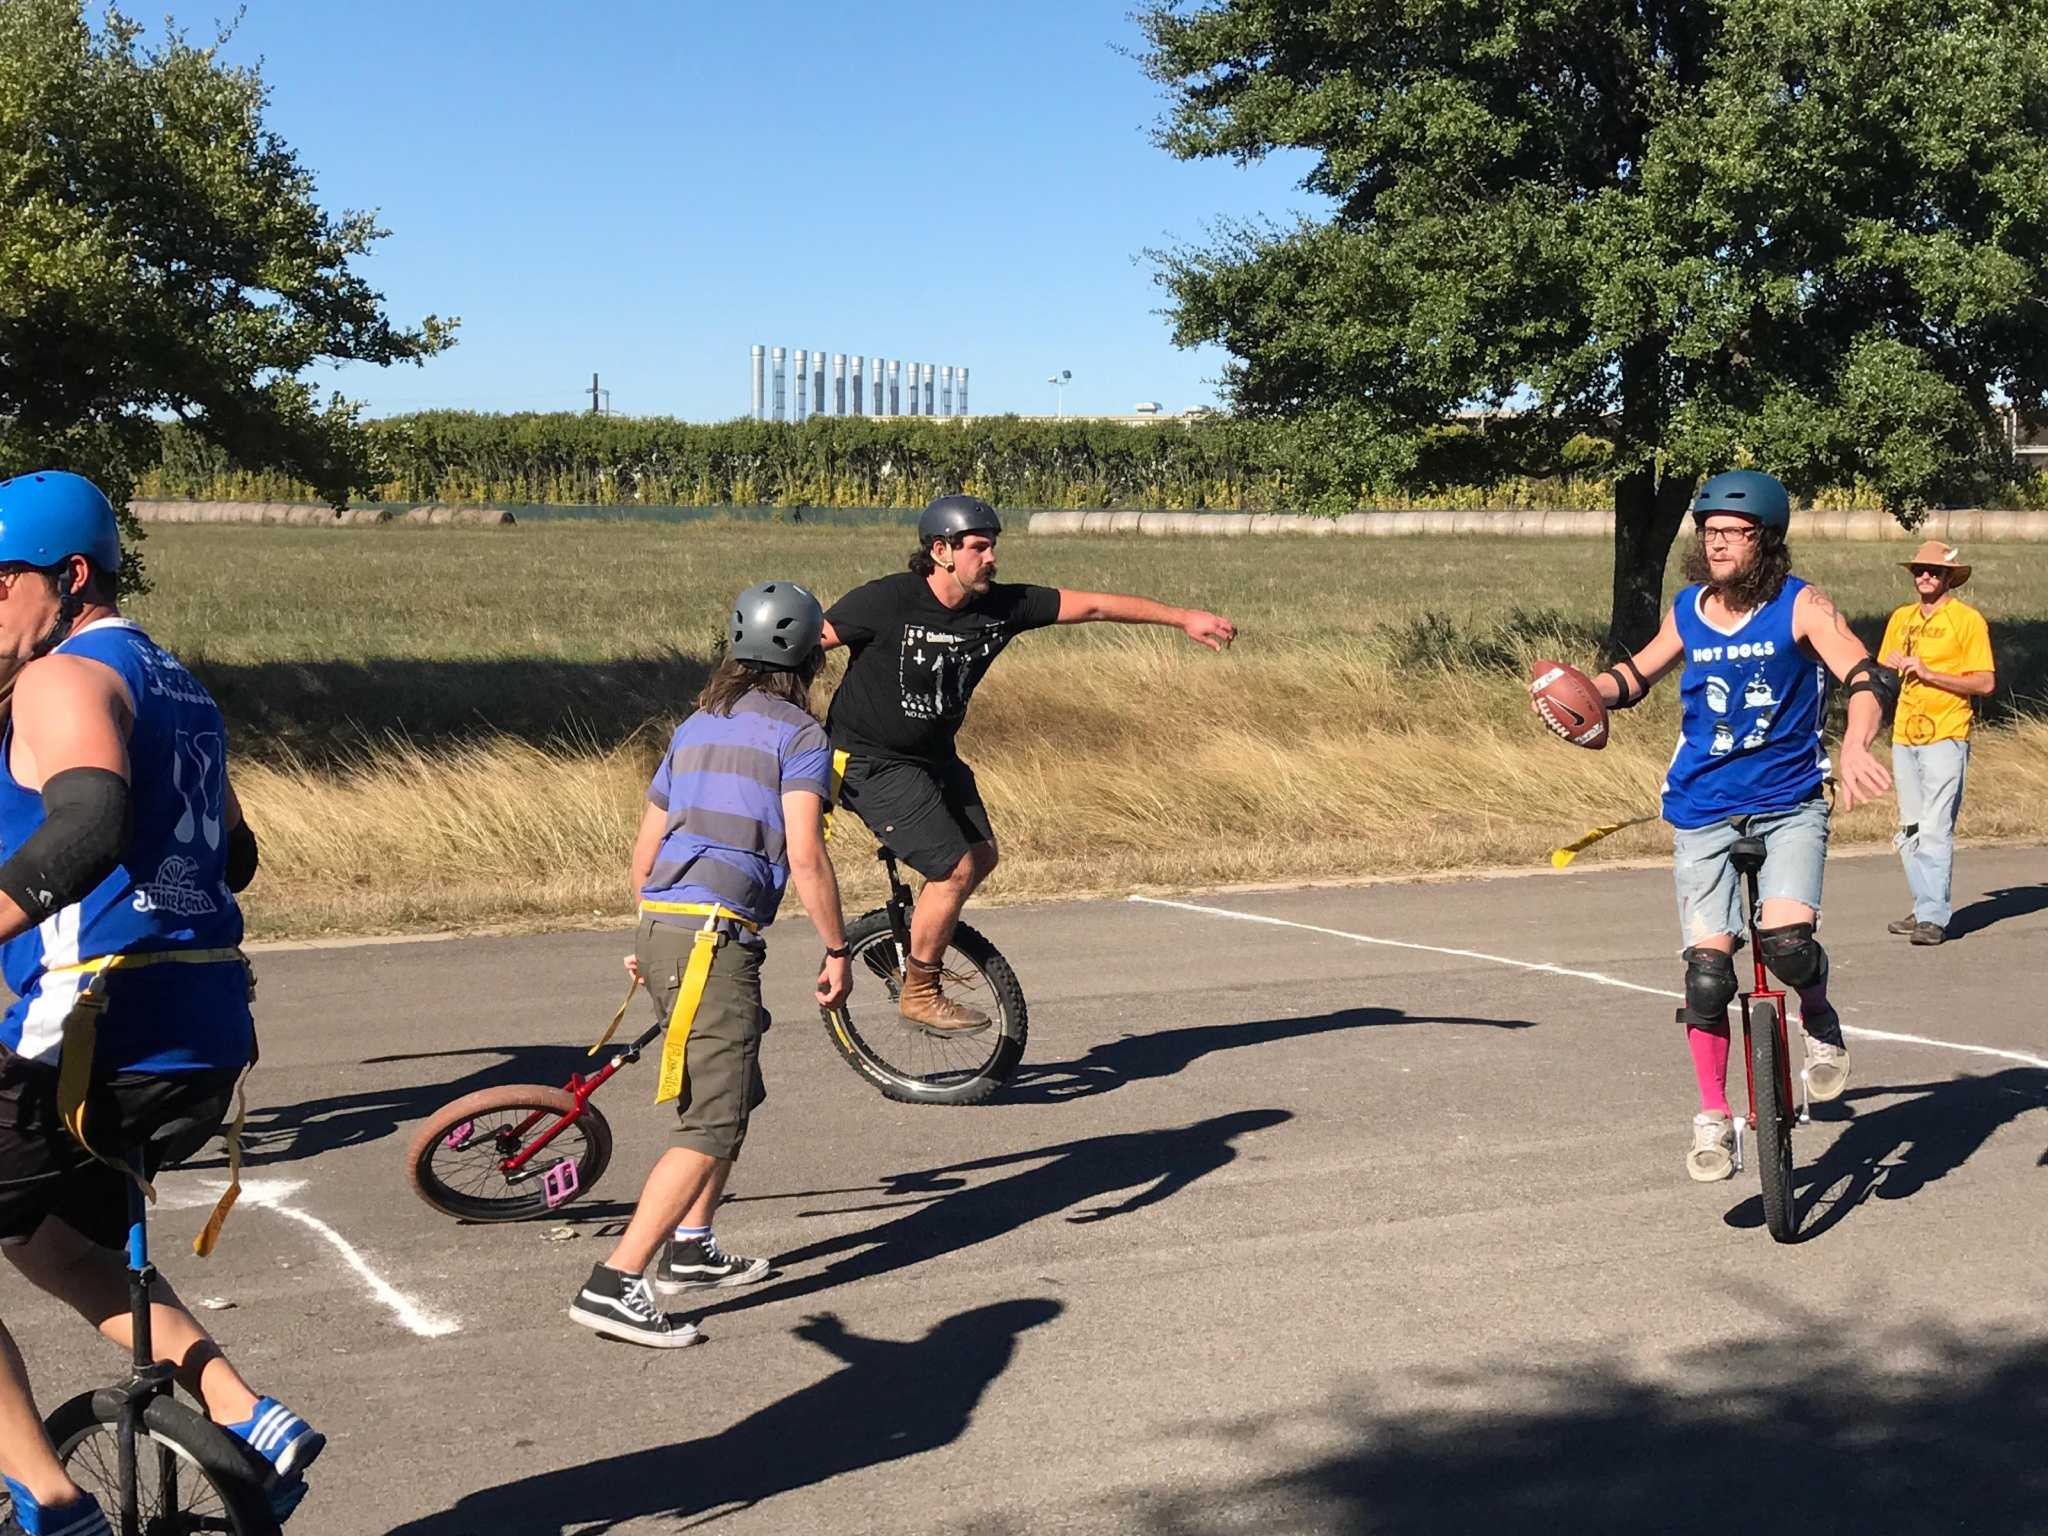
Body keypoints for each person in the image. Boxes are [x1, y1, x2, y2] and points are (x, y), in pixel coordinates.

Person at [0, 471, 321, 1534]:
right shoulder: (178, 684)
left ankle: (51, 1502)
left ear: (68, 577)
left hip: (87, 1033)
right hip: (201, 1035)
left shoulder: (62, 678)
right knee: (46, 1243)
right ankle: (243, 1407)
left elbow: (85, 826)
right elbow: (233, 852)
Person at [1579, 470, 1893, 1183]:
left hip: (1788, 801)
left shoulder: (1801, 604)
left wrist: (1854, 744)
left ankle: (1818, 1019)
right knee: (1708, 977)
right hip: (1701, 806)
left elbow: (1868, 677)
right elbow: (1633, 679)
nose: (1715, 543)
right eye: (1708, 531)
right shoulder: (1689, 607)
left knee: (1785, 944)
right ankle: (1714, 1118)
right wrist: (1583, 691)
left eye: (1731, 533)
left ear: (1765, 540)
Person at [821, 495, 1237, 1032]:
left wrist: (1184, 618)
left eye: (993, 545)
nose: (991, 556)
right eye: (978, 547)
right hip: (869, 761)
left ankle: (899, 949)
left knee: (981, 854)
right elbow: (809, 643)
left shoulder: (1003, 605)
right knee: (953, 869)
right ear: (941, 551)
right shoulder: (886, 600)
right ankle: (919, 989)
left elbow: (1094, 606)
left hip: (933, 757)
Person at [568, 581, 852, 1348]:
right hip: (711, 939)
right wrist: (837, 948)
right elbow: (805, 852)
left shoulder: (696, 725)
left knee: (736, 1085)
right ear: (803, 657)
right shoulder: (800, 736)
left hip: (670, 925)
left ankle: (692, 1247)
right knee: (712, 1119)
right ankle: (617, 1281)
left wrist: (649, 932)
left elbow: (645, 850)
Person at [1877, 541, 1994, 945]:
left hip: (1947, 731)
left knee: (1936, 826)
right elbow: (1884, 672)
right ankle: (1923, 904)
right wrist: (1886, 670)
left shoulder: (1967, 620)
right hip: (1905, 732)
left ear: (1949, 578)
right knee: (1909, 827)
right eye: (1919, 571)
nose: (1924, 577)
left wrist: (1930, 674)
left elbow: (1984, 682)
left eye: (1933, 571)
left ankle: (1934, 917)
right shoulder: (1901, 618)